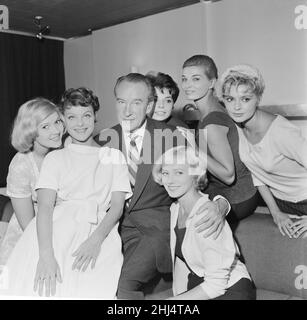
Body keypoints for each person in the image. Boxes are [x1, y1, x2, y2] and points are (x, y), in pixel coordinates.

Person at [95, 73, 230, 300]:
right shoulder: (102, 141)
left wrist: (220, 204)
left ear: (148, 106)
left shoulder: (172, 136)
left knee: (125, 284)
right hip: (114, 230)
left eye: (136, 102)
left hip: (155, 230)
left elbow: (206, 182)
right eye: (121, 102)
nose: (127, 111)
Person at [1, 87, 131, 298]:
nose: (80, 123)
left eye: (86, 115)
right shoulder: (53, 158)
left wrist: (96, 240)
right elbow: (44, 208)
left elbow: (117, 207)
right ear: (65, 119)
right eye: (72, 117)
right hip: (54, 234)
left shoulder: (113, 156)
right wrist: (45, 256)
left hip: (99, 234)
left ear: (96, 116)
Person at [152, 146, 255, 300]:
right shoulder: (175, 209)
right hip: (200, 284)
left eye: (179, 172)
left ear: (195, 176)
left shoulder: (208, 214)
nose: (170, 180)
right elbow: (182, 261)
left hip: (230, 289)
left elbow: (216, 285)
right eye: (166, 173)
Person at [218, 64, 307, 238]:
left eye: (245, 99)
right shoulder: (237, 127)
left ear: (258, 98)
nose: (237, 107)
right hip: (280, 202)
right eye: (230, 99)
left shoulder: (281, 132)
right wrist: (275, 213)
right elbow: (256, 174)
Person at [182, 55, 258, 225]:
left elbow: (228, 175)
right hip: (235, 191)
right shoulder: (213, 111)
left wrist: (193, 150)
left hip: (237, 197)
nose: (188, 85)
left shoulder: (212, 122)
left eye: (196, 79)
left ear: (211, 82)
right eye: (184, 79)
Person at [0, 98, 64, 266]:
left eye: (57, 121)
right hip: (34, 232)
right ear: (30, 132)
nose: (56, 130)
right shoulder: (21, 166)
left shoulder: (63, 149)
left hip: (65, 222)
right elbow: (28, 226)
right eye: (45, 126)